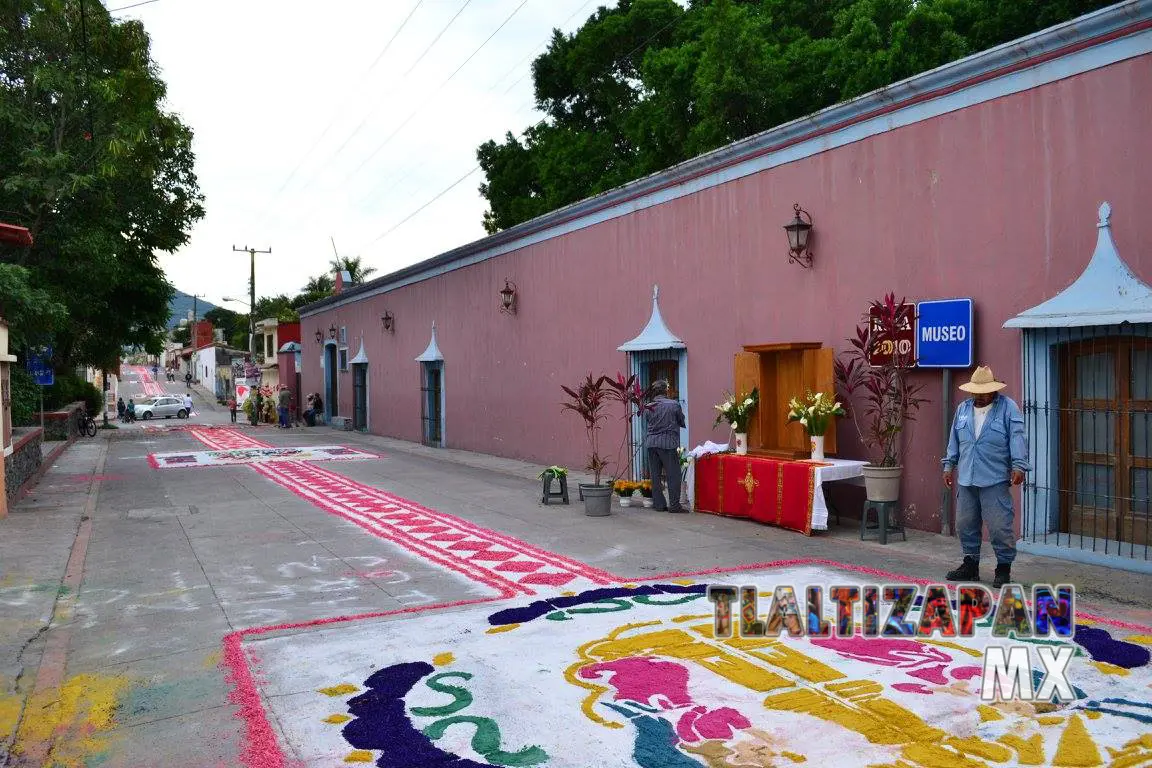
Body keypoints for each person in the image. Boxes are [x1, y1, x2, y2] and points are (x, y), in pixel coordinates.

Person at [942, 366, 1030, 588]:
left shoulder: (1008, 408)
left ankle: (1003, 568)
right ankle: (970, 565)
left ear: (993, 390)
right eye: (976, 392)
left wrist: (1019, 465)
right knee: (964, 524)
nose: (980, 396)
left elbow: (1017, 437)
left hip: (995, 477)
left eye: (984, 392)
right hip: (967, 477)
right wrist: (948, 465)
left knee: (1000, 526)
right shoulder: (963, 409)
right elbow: (954, 439)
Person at [644, 379, 686, 513]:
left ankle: (659, 505)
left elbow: (648, 421)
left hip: (652, 443)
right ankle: (674, 505)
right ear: (666, 390)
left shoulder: (648, 406)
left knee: (655, 475)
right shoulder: (674, 404)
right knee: (673, 475)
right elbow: (681, 420)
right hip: (667, 443)